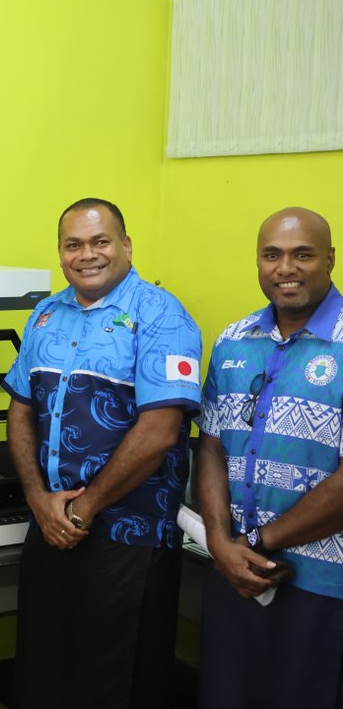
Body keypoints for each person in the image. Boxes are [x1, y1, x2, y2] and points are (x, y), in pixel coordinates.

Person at [2, 198, 202, 709]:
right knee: (44, 666)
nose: (86, 254)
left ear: (126, 246)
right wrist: (38, 500)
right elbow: (21, 409)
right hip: (50, 522)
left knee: (113, 679)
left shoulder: (163, 317)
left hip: (127, 534)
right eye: (73, 244)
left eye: (100, 241)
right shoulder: (47, 313)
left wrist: (80, 510)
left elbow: (159, 432)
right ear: (61, 252)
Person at [196, 207, 343, 708]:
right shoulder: (233, 340)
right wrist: (219, 542)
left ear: (329, 259)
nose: (286, 267)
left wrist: (257, 543)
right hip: (233, 572)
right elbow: (211, 445)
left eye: (303, 254)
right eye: (272, 254)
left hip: (323, 583)